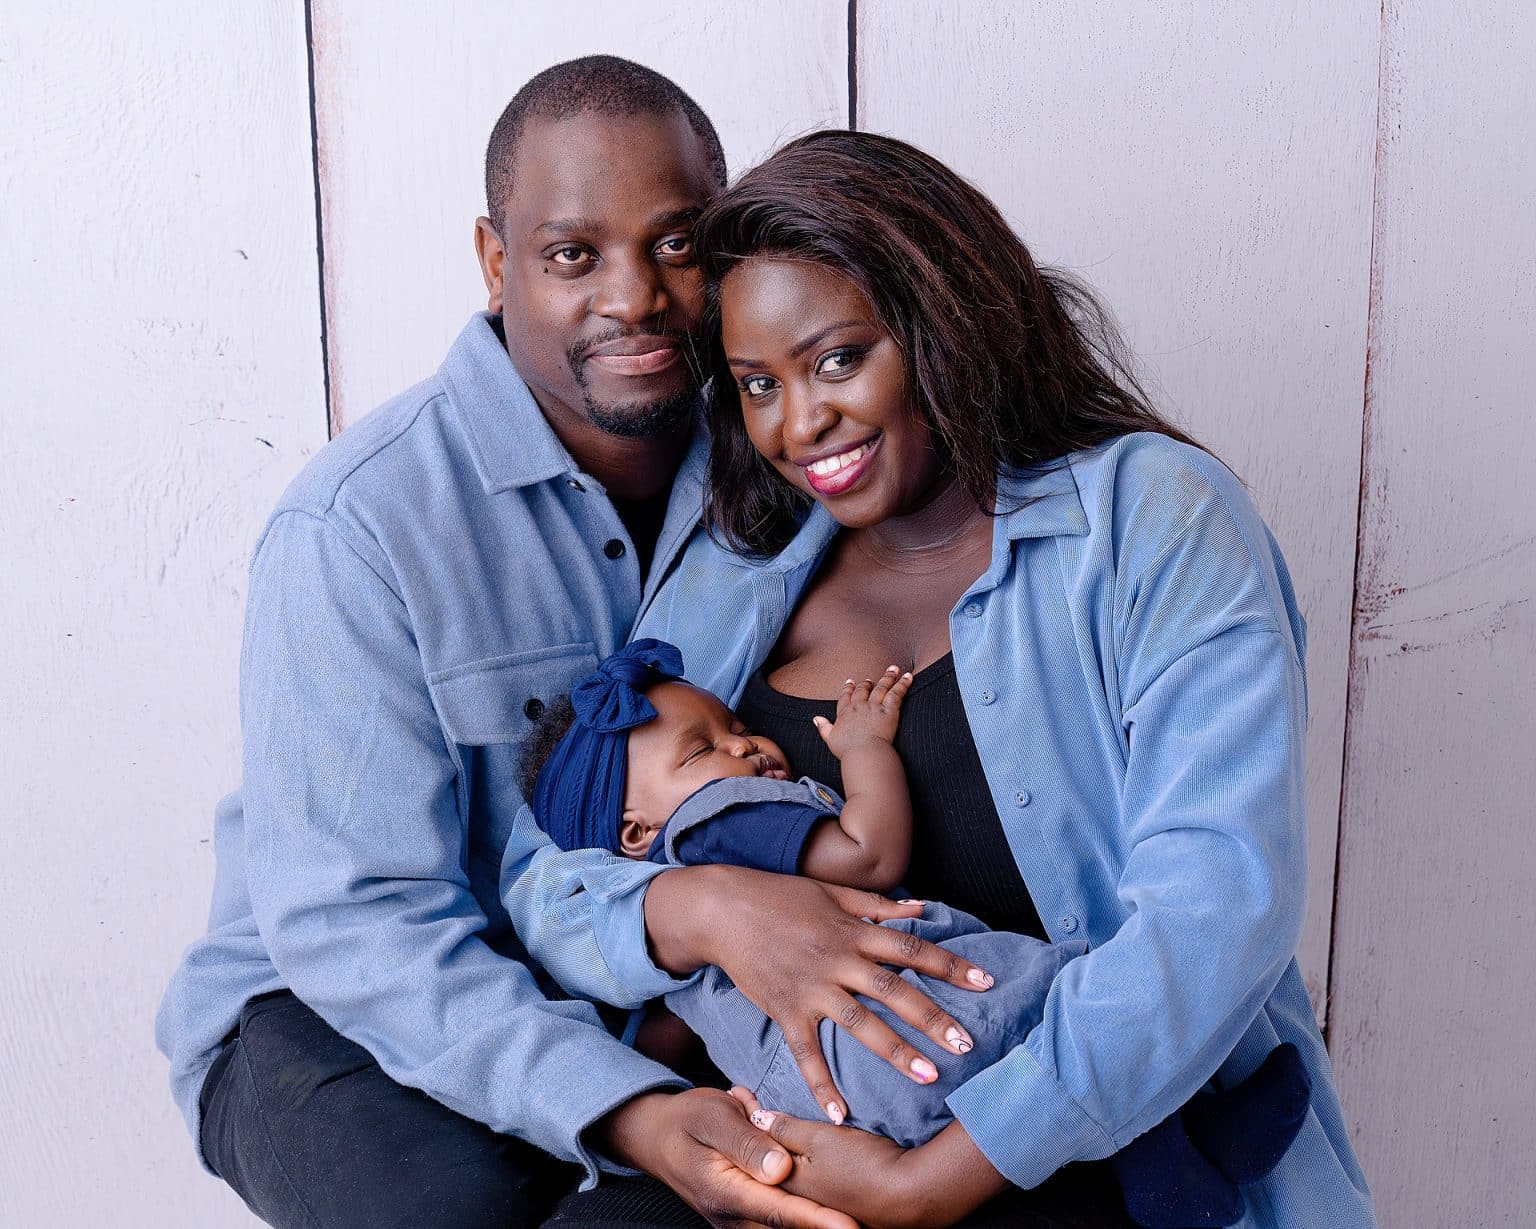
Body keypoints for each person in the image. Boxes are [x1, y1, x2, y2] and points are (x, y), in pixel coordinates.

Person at [155, 61, 991, 1229]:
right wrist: (630, 1108)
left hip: (658, 991)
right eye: (571, 256)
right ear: (497, 265)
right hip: (337, 1008)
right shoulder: (359, 526)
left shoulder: (787, 453)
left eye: (677, 244)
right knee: (455, 1206)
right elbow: (359, 924)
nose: (634, 296)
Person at [599, 130, 1378, 1226]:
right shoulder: (739, 563)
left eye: (837, 358)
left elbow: (1219, 907)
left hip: (1086, 1155)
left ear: (943, 323)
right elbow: (560, 852)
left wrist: (935, 1179)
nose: (800, 423)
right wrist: (700, 905)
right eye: (757, 384)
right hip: (808, 1150)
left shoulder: (1151, 519)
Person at [525, 638, 1314, 1229]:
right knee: (1066, 999)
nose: (742, 743)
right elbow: (869, 853)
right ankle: (1181, 1149)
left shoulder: (656, 927)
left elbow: (660, 1031)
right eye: (703, 750)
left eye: (731, 724)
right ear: (635, 832)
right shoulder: (714, 823)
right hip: (910, 1018)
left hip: (832, 1102)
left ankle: (1164, 1168)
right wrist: (866, 750)